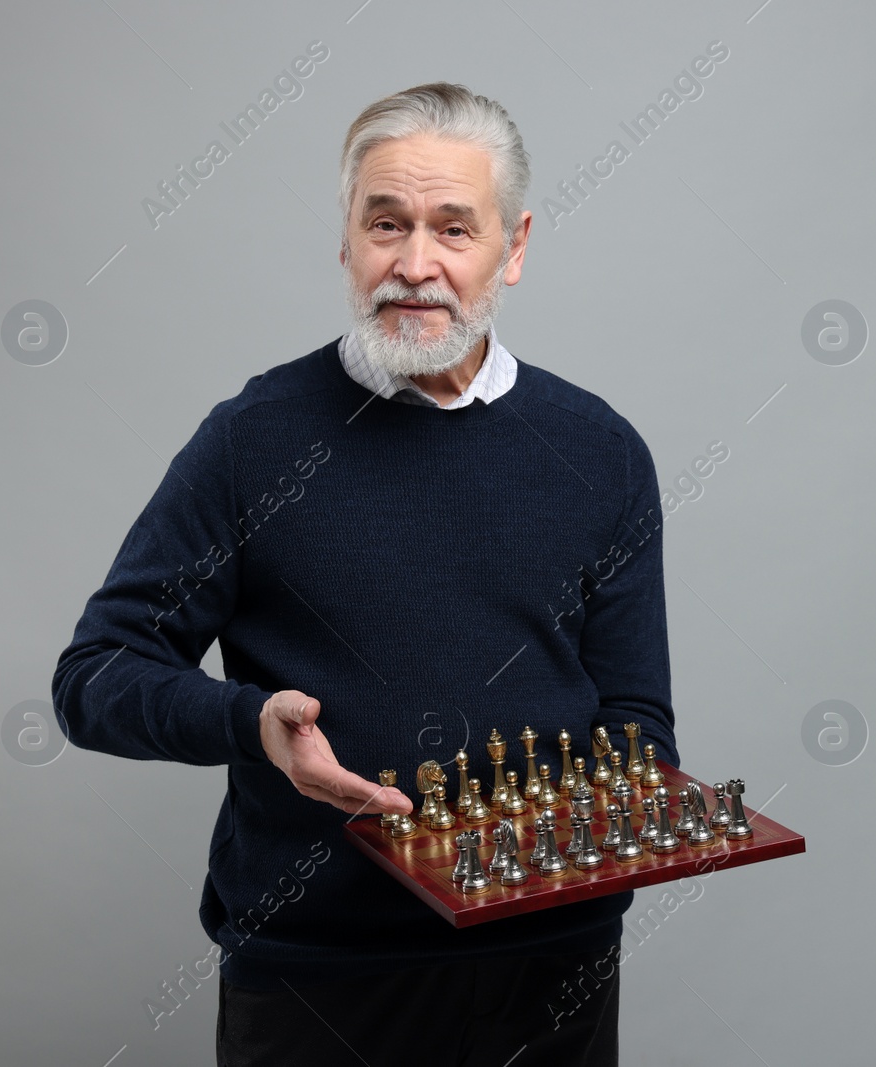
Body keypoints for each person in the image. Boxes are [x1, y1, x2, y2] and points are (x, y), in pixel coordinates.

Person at [51, 82, 677, 1067]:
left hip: (552, 977)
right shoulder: (252, 441)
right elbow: (93, 677)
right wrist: (251, 725)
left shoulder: (600, 452)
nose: (414, 265)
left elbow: (637, 722)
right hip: (319, 981)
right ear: (346, 240)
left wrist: (588, 840)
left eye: (451, 229)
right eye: (385, 224)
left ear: (512, 248)